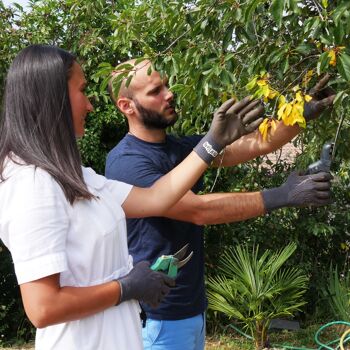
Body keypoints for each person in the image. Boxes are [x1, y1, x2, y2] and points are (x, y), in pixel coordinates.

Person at [0, 45, 265, 350]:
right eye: (82, 91)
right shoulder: (32, 183)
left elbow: (156, 198)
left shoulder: (77, 175)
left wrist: (213, 143)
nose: (90, 106)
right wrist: (125, 287)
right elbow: (43, 308)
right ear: (52, 97)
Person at [105, 59, 335, 350]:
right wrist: (282, 195)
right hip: (155, 320)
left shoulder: (178, 148)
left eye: (166, 84)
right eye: (155, 91)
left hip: (190, 310)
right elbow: (198, 210)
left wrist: (301, 113)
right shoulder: (127, 162)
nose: (169, 93)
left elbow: (256, 144)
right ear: (127, 106)